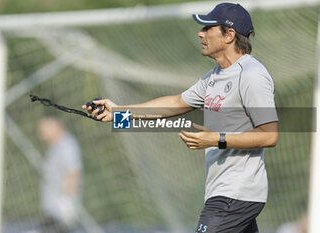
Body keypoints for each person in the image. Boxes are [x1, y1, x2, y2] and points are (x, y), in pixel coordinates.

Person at [83, 3, 278, 233]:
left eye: (207, 28)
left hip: (234, 194)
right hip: (226, 193)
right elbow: (175, 104)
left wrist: (217, 139)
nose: (200, 33)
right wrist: (118, 114)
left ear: (229, 35)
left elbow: (269, 134)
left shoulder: (252, 75)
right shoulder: (214, 77)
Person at [36, 116, 83, 233]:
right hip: (53, 208)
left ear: (55, 127)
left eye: (43, 130)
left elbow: (73, 172)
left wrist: (67, 202)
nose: (40, 135)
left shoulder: (67, 146)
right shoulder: (55, 146)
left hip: (60, 209)